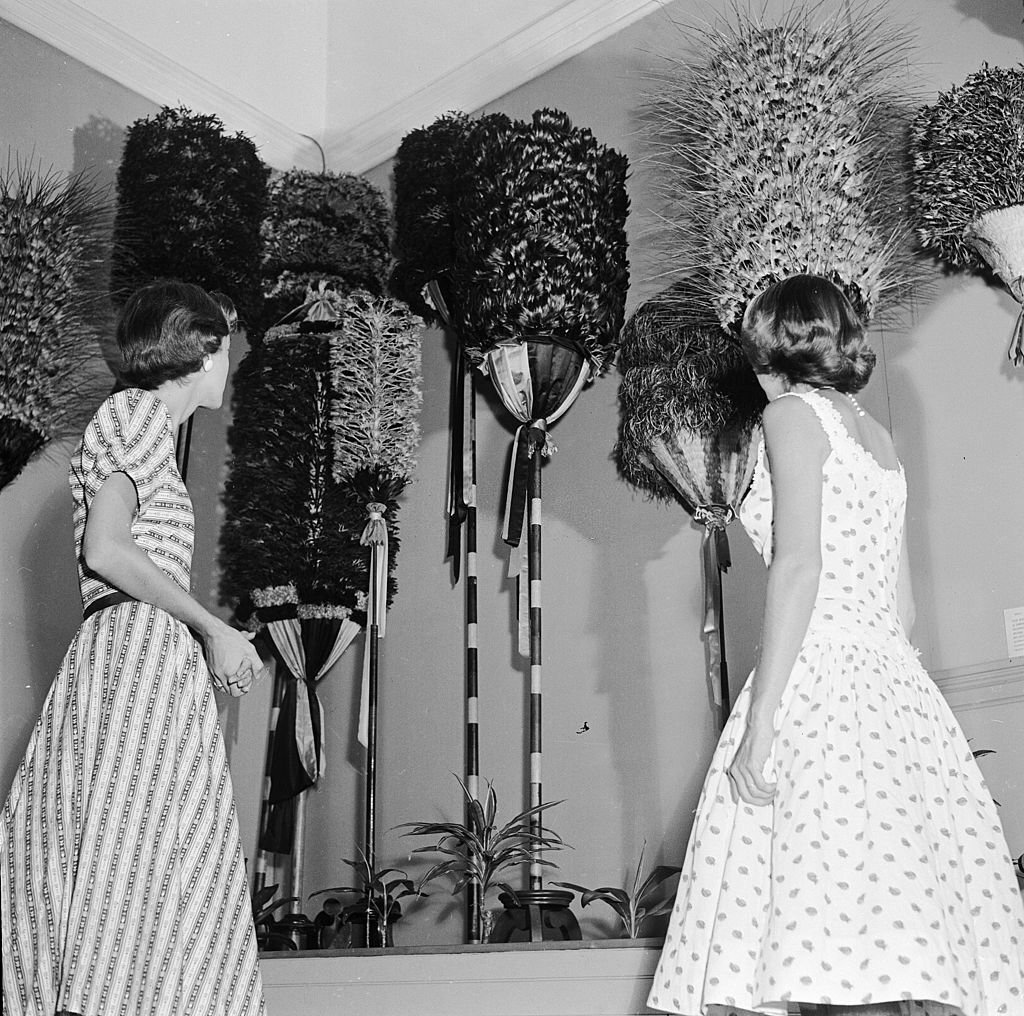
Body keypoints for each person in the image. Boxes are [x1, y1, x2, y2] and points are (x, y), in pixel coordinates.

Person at [648, 275, 1024, 1016]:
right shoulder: (877, 436)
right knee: (879, 937)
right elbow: (903, 607)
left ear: (775, 343)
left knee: (819, 944)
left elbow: (799, 565)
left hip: (818, 674)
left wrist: (762, 722)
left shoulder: (790, 414)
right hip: (891, 683)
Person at [2, 280, 266, 1016]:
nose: (229, 364)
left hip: (149, 661)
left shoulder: (146, 427)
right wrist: (213, 628)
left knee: (145, 862)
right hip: (137, 656)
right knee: (128, 856)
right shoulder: (137, 414)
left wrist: (202, 639)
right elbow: (107, 548)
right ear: (204, 352)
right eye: (226, 348)